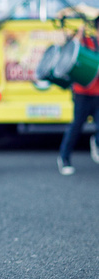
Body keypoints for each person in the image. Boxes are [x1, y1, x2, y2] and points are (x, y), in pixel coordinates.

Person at [57, 18, 99, 175]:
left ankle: (96, 143)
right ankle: (64, 158)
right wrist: (78, 35)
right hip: (82, 93)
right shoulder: (86, 41)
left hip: (98, 94)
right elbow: (70, 52)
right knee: (76, 127)